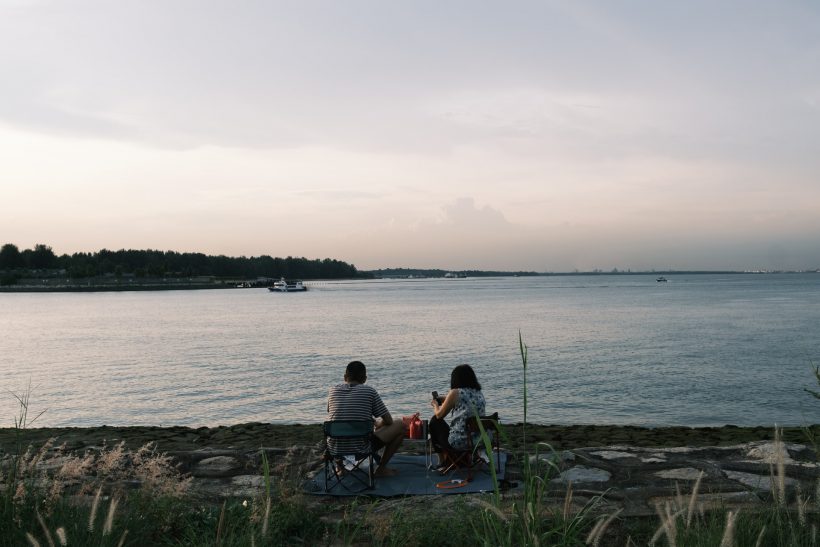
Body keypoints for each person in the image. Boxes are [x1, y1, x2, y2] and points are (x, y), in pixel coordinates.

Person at [327, 360, 403, 477]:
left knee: (339, 426)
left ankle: (341, 468)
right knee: (400, 425)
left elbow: (338, 416)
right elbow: (389, 421)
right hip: (361, 447)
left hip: (335, 448)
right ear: (365, 379)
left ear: (345, 377)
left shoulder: (333, 391)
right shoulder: (369, 391)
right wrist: (379, 424)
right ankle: (381, 469)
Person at [429, 363, 486, 470]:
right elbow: (464, 399)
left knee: (434, 422)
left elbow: (439, 415)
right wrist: (445, 399)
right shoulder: (478, 392)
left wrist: (435, 405)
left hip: (460, 442)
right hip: (480, 440)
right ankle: (466, 458)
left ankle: (442, 461)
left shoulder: (455, 393)